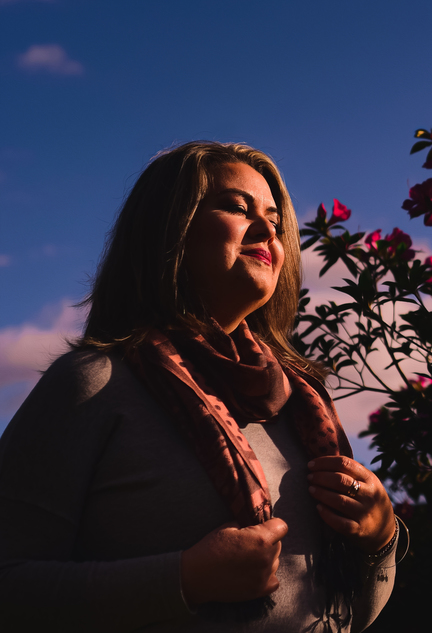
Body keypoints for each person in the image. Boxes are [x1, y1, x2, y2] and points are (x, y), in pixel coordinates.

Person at [0, 142, 404, 631]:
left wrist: (380, 542)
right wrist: (184, 580)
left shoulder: (303, 405)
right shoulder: (94, 383)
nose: (267, 231)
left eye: (275, 221)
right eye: (237, 207)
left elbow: (348, 616)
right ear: (171, 228)